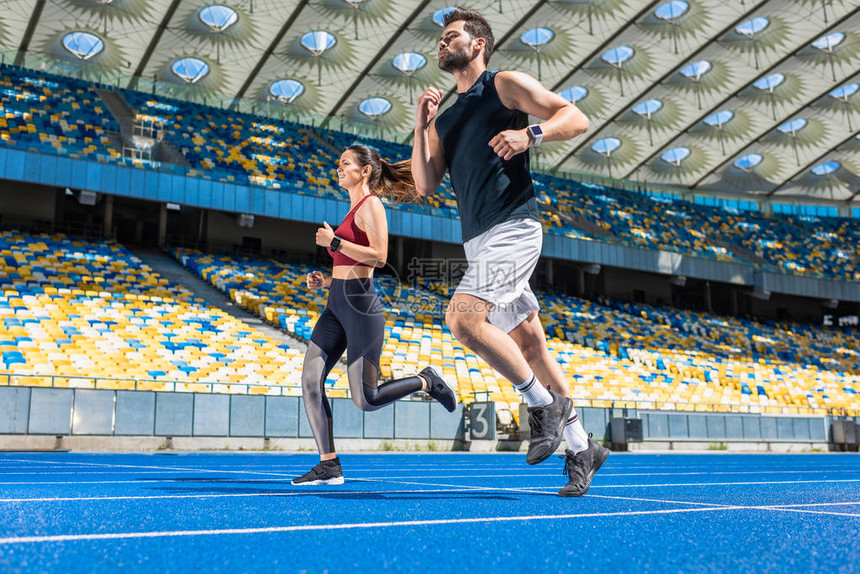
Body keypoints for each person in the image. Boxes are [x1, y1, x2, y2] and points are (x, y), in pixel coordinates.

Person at [411, 8, 609, 497]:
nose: (442, 43)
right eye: (440, 38)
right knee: (531, 345)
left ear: (478, 44)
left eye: (451, 35)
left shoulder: (503, 84)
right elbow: (423, 183)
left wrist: (530, 134)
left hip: (514, 226)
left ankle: (542, 406)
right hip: (479, 239)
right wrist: (421, 127)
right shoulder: (447, 116)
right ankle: (583, 448)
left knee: (461, 319)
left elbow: (575, 116)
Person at [291, 144, 457, 486]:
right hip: (335, 306)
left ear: (364, 171)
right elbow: (350, 265)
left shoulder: (372, 205)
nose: (338, 168)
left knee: (366, 399)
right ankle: (328, 464)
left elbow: (379, 257)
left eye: (345, 163)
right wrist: (324, 280)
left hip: (361, 310)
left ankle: (426, 380)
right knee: (310, 380)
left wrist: (334, 242)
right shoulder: (351, 211)